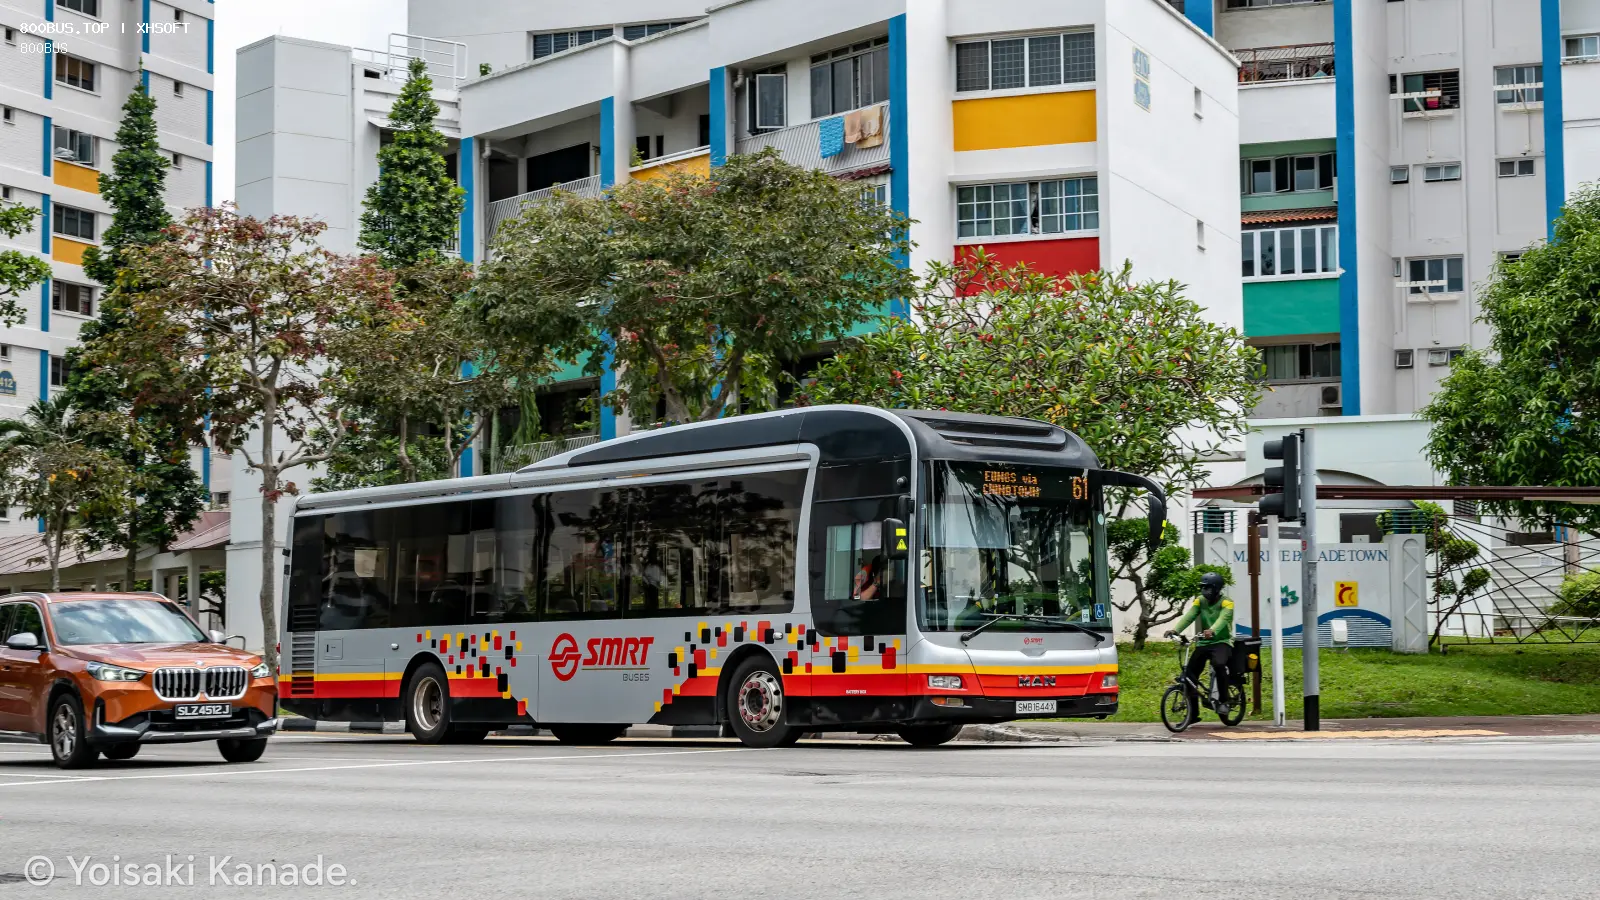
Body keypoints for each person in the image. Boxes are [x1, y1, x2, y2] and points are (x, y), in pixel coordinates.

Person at [1165, 572, 1235, 723]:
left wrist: (1213, 630)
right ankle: (1193, 714)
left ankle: (1224, 701)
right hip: (1204, 643)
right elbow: (1189, 616)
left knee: (1219, 664)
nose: (1204, 591)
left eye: (1208, 588)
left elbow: (1224, 619)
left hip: (1222, 642)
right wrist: (1175, 630)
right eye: (1203, 588)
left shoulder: (1227, 602)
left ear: (1216, 589)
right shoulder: (1200, 601)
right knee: (1189, 675)